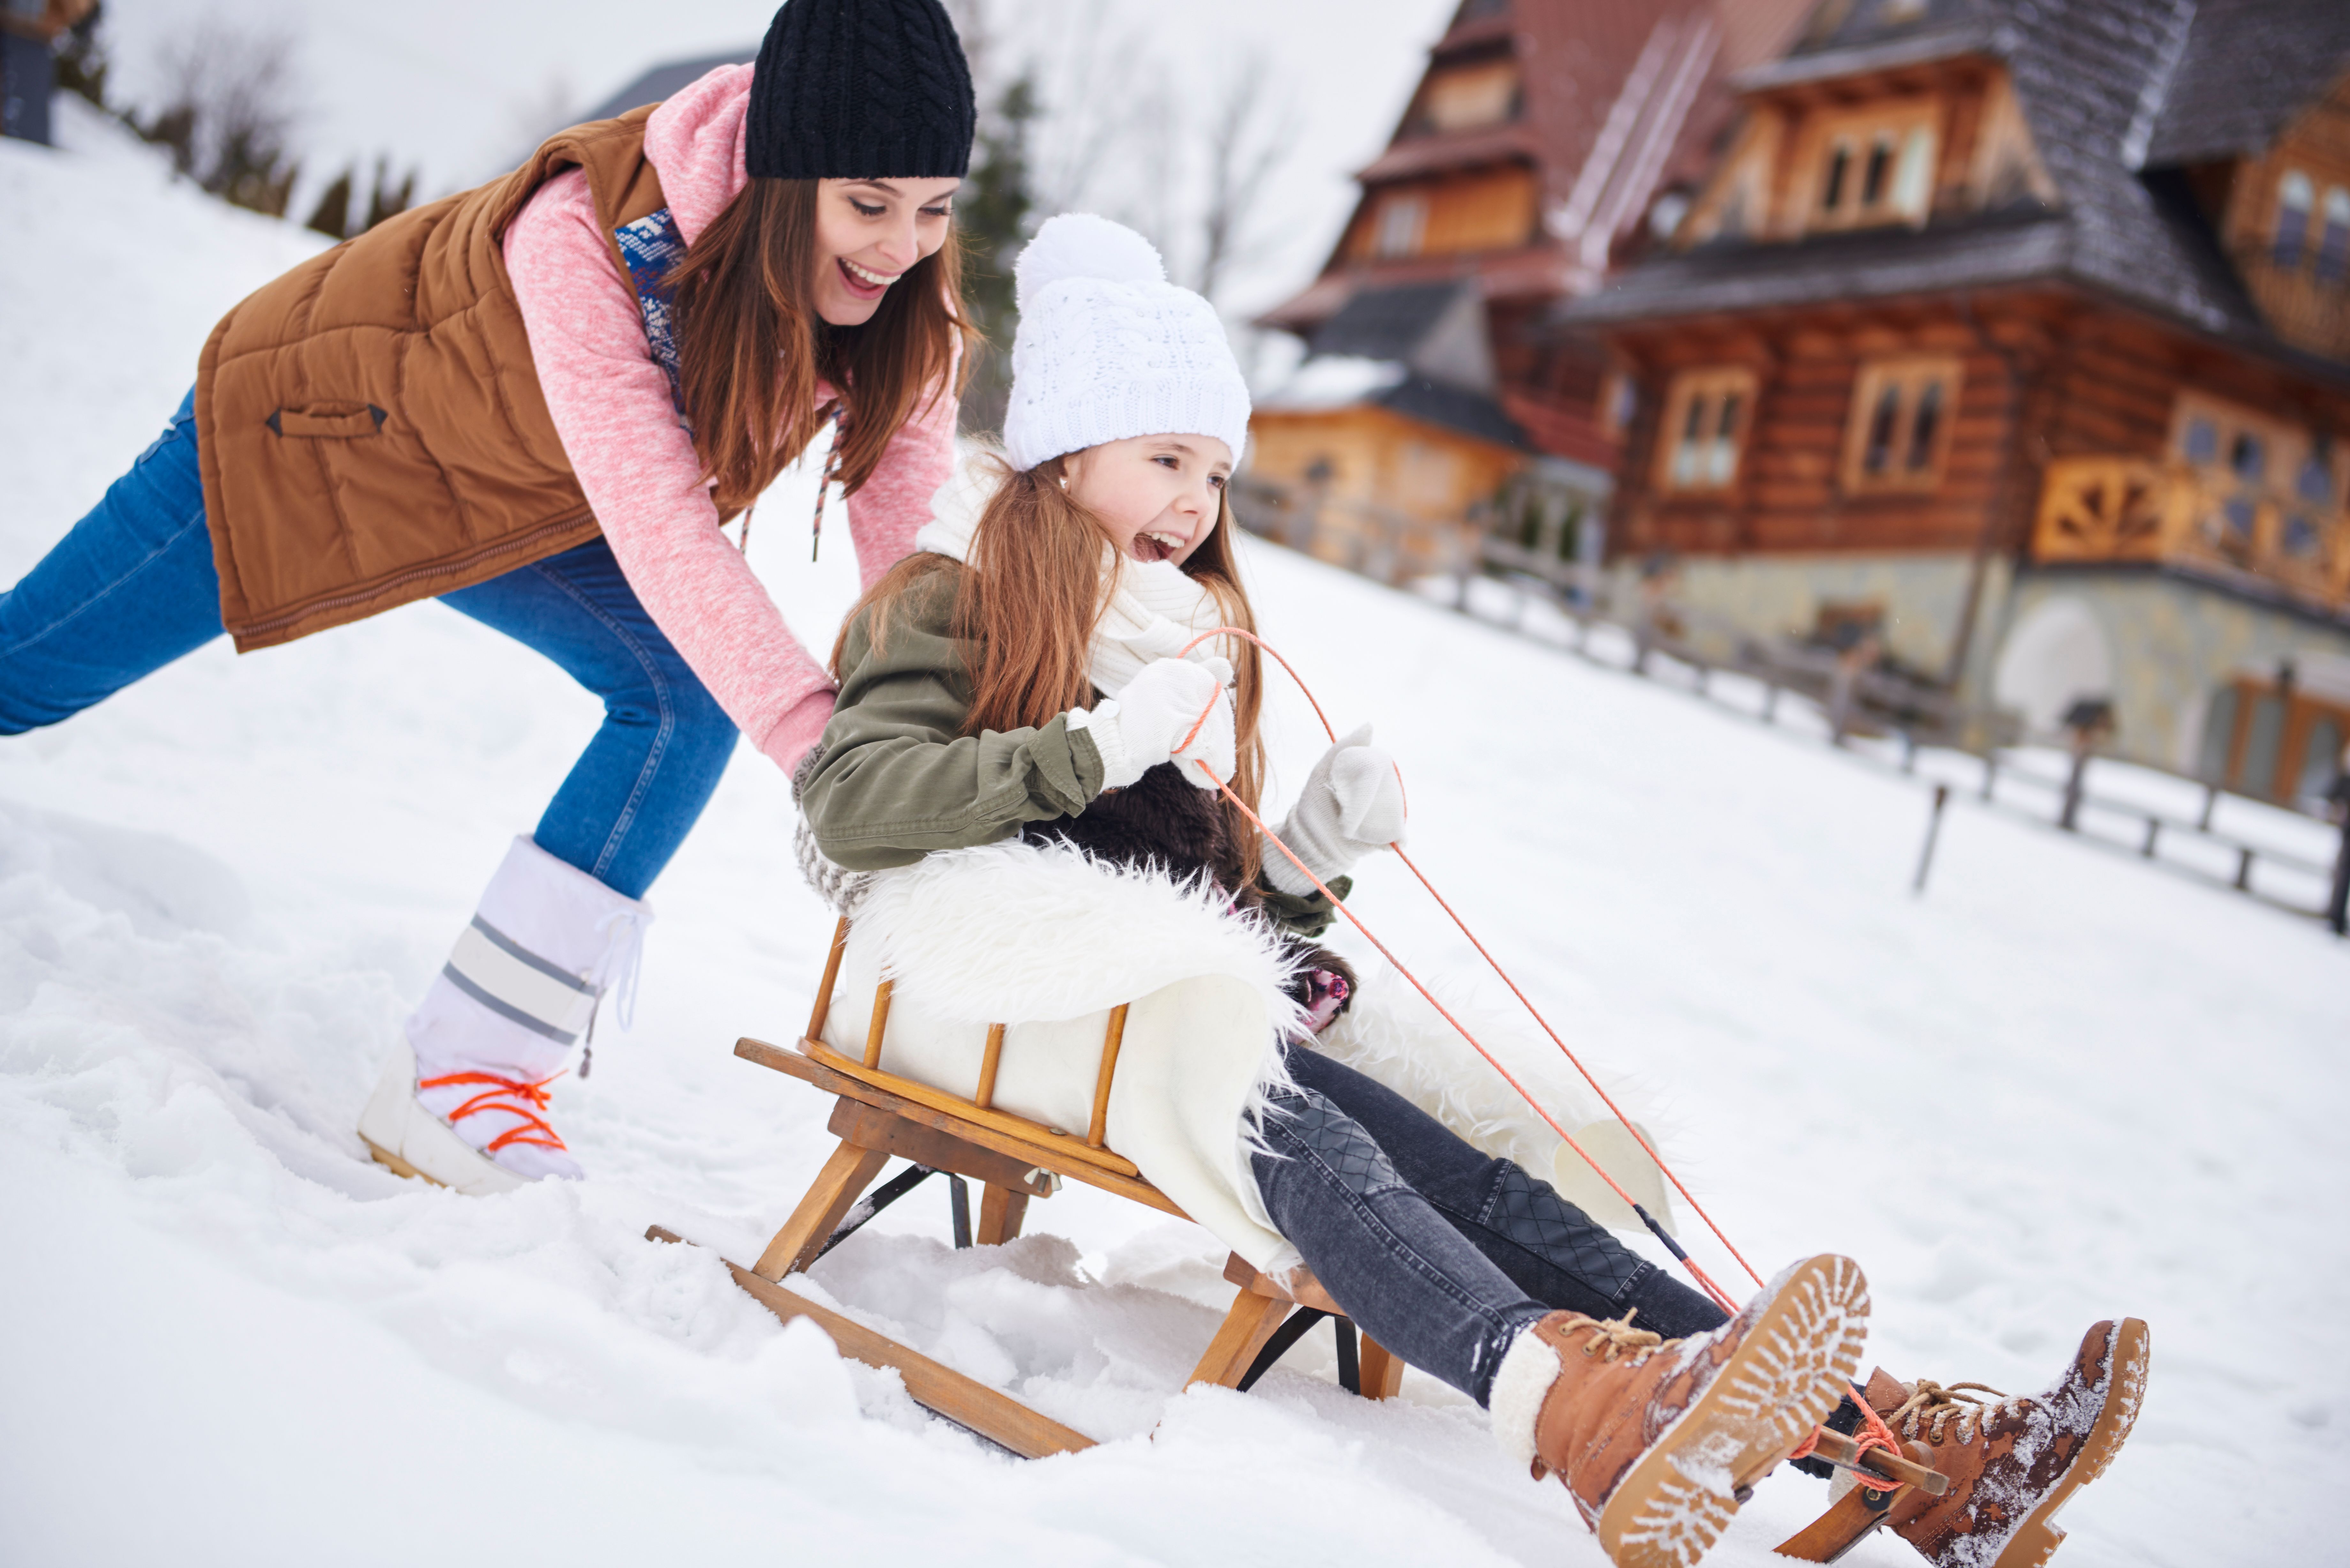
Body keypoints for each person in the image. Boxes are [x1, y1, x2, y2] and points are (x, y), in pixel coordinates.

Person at [793, 214, 2149, 1568]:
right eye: (1167, 459)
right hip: (1015, 1014)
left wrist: (1303, 865)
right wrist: (1096, 746)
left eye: (1216, 472)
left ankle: (1904, 1451)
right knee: (1309, 1137)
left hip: (1161, 1029)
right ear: (1066, 451)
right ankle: (1573, 1411)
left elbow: (1205, 931)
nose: (1199, 505)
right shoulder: (952, 599)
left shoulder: (1172, 640)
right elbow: (849, 805)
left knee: (1492, 1186)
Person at [0, 0, 980, 1193]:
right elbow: (663, 524)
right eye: (868, 203)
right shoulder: (585, 232)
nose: (901, 244)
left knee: (677, 706)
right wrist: (822, 751)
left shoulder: (904, 315)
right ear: (780, 178)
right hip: (308, 439)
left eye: (934, 208)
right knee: (30, 674)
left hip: (525, 501)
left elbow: (909, 548)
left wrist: (937, 730)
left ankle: (461, 1080)